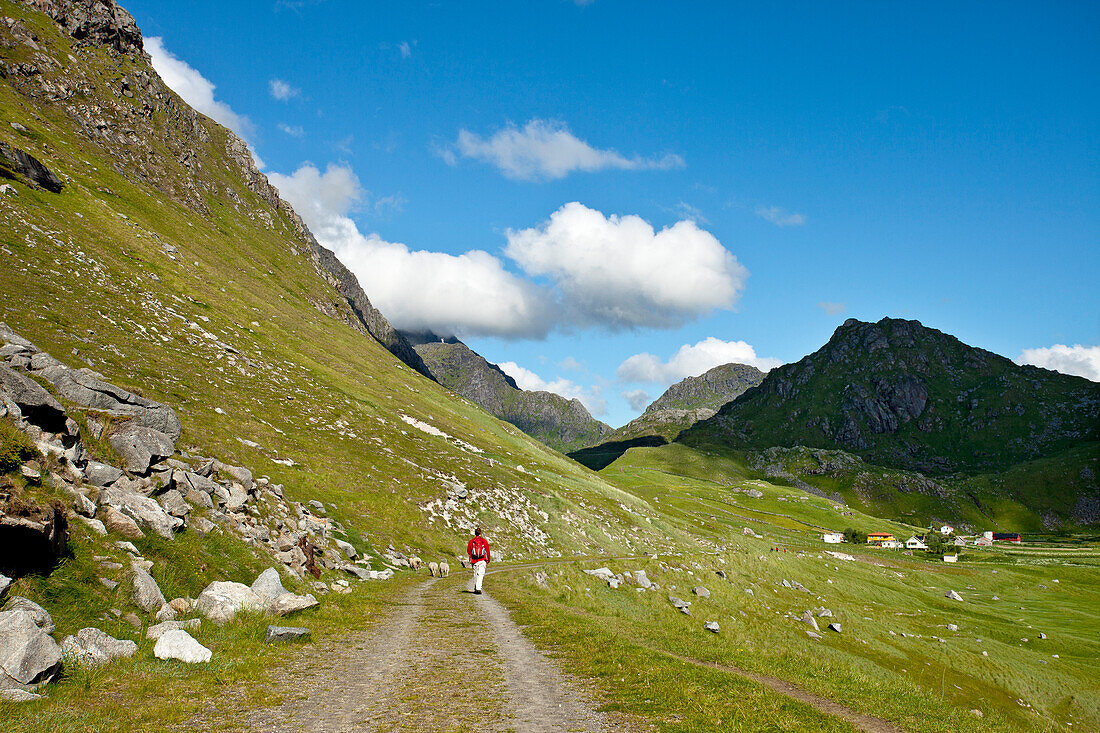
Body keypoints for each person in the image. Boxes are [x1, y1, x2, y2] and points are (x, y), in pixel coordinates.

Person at [466, 527, 490, 594]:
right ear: (480, 533)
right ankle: (478, 588)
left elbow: (468, 550)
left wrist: (472, 556)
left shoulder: (471, 541)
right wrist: (488, 560)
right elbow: (487, 551)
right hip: (482, 560)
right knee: (481, 574)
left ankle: (476, 587)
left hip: (474, 560)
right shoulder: (484, 541)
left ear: (475, 533)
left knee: (475, 574)